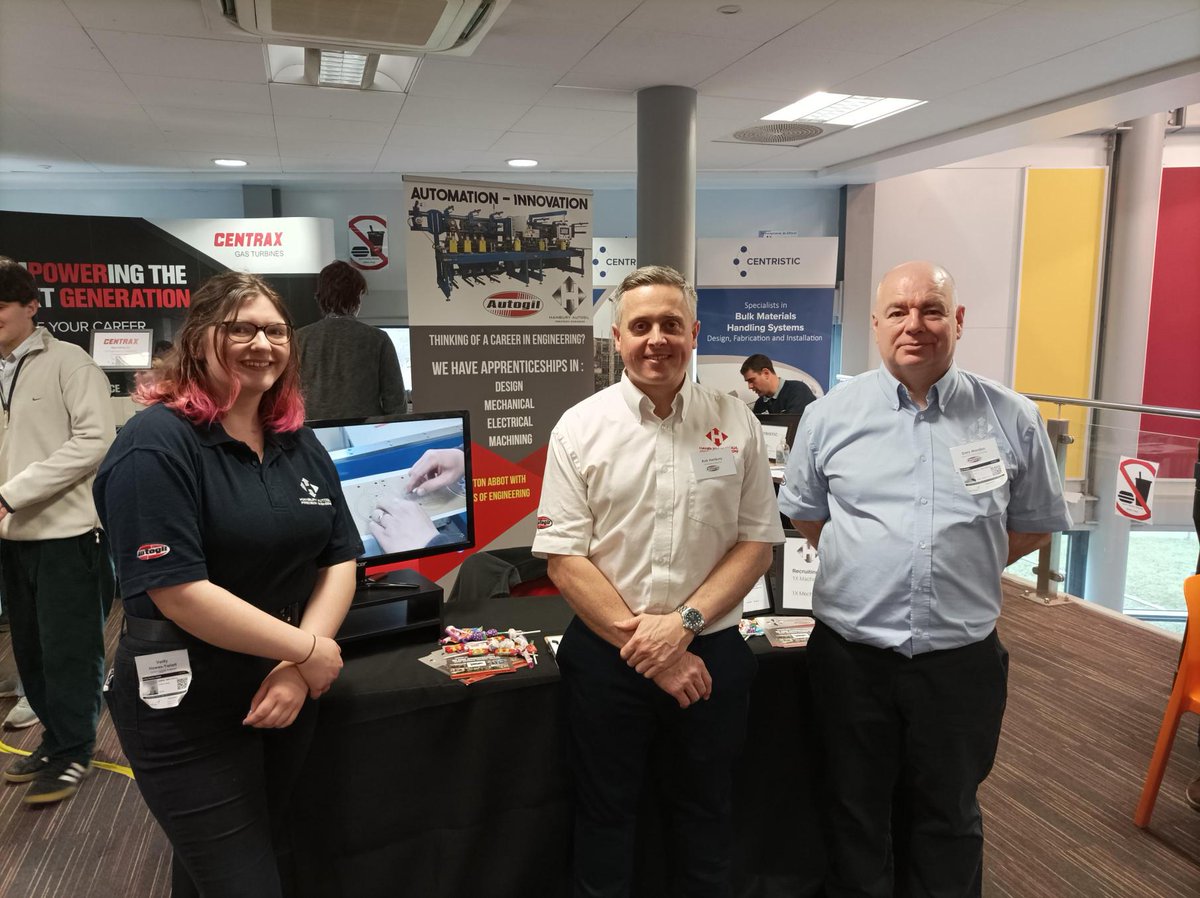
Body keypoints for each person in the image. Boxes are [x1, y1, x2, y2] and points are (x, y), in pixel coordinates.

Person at [778, 261, 1072, 897]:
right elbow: (806, 516)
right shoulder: (830, 416)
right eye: (899, 312)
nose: (916, 325)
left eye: (932, 310)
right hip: (852, 658)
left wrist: (957, 560)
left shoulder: (1012, 417)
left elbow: (1035, 524)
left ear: (958, 322)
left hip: (959, 663)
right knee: (854, 810)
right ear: (876, 325)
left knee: (949, 813)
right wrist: (878, 560)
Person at [93, 271, 362, 896]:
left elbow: (340, 557)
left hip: (279, 688)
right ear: (198, 338)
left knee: (222, 863)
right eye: (240, 328)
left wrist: (299, 665)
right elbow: (178, 590)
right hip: (186, 702)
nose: (261, 344)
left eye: (274, 330)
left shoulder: (295, 439)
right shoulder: (155, 444)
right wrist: (307, 650)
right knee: (242, 878)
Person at [533, 265, 783, 897]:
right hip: (607, 658)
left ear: (694, 333)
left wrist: (684, 627)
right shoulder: (579, 427)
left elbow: (758, 544)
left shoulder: (736, 423)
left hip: (713, 654)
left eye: (671, 324)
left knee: (707, 814)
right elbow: (564, 557)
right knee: (606, 817)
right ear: (617, 337)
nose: (656, 339)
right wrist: (654, 651)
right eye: (640, 326)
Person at [0, 256, 115, 805]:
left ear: (30, 307)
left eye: (0, 306)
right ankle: (56, 735)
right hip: (11, 540)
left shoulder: (70, 363)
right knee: (30, 651)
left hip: (67, 534)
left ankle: (74, 749)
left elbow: (94, 441)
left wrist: (10, 494)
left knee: (70, 648)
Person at [296, 260, 405, 420]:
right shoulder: (378, 340)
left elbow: (286, 397)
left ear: (320, 298)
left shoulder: (299, 339)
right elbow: (395, 403)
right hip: (366, 436)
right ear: (357, 297)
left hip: (312, 435)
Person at [740, 353, 817, 416]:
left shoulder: (798, 391)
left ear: (766, 373)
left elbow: (796, 430)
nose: (750, 386)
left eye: (752, 380)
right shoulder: (759, 404)